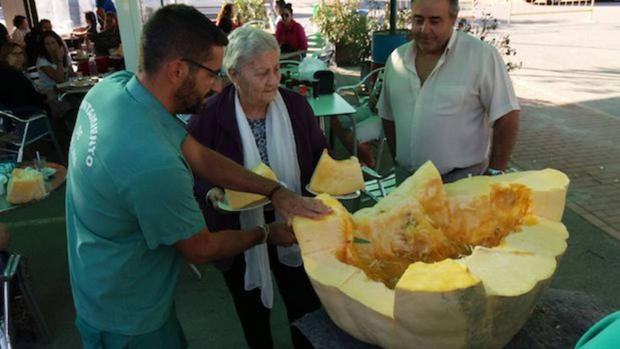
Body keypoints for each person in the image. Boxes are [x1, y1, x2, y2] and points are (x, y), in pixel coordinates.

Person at [65, 5, 328, 348]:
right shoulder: (154, 164)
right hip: (129, 317)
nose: (218, 86)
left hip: (96, 282)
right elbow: (200, 248)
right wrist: (265, 232)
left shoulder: (113, 88)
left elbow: (198, 154)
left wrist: (276, 192)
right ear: (177, 70)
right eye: (213, 74)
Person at [187, 26, 326, 349]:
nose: (274, 80)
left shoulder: (296, 107)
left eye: (277, 69)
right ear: (233, 74)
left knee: (305, 308)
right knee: (252, 313)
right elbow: (193, 169)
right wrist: (211, 191)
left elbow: (320, 157)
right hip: (237, 229)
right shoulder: (208, 116)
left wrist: (328, 186)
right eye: (262, 72)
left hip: (293, 224)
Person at [377, 0, 520, 183]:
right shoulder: (396, 59)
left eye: (435, 21)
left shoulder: (481, 56)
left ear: (453, 18)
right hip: (406, 181)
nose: (424, 29)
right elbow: (388, 116)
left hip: (462, 183)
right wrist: (399, 160)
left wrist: (494, 172)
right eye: (418, 20)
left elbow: (506, 116)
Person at [0, 41, 46, 110]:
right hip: (25, 115)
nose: (19, 57)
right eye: (15, 54)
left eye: (21, 53)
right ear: (5, 57)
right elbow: (31, 99)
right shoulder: (13, 75)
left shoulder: (10, 72)